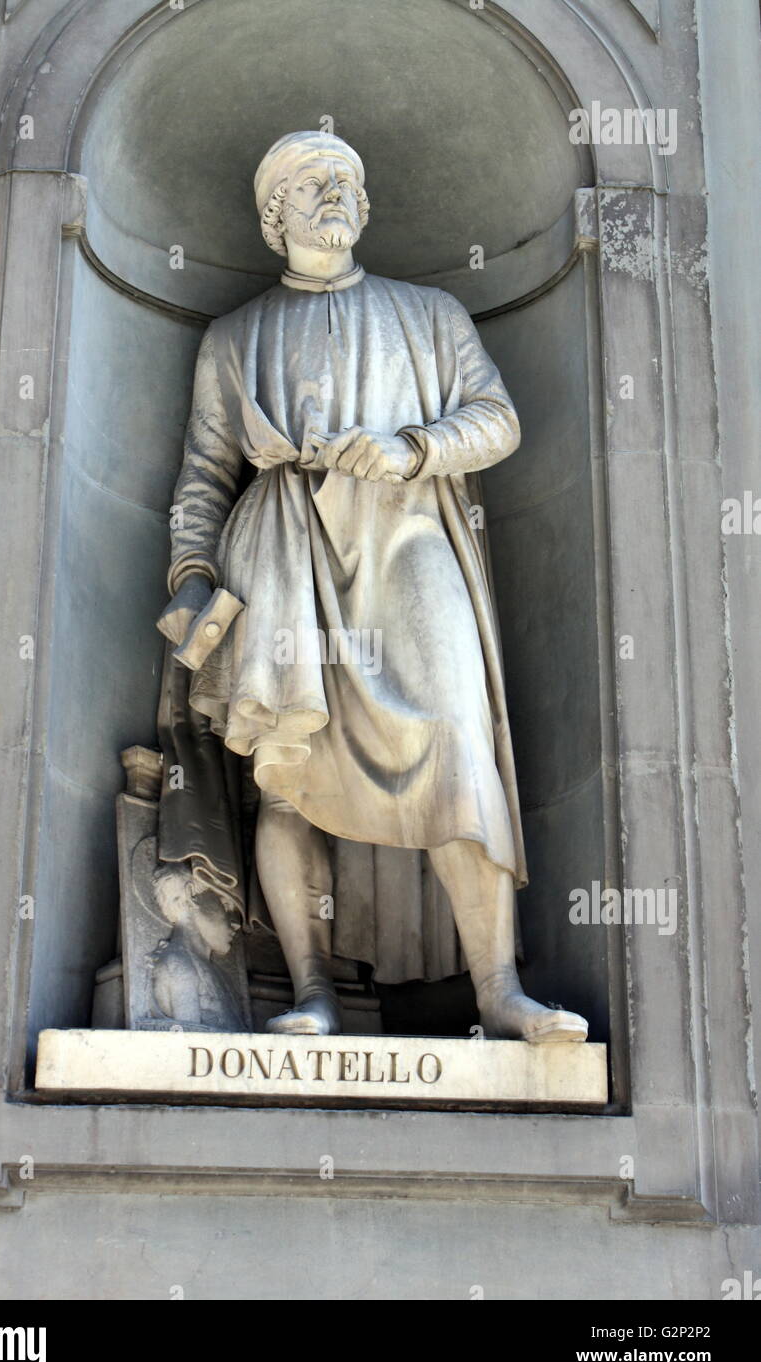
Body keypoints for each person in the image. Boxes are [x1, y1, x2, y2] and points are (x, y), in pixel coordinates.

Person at [158, 131, 588, 1043]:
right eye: (313, 183)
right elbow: (204, 474)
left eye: (348, 180)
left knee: (458, 737)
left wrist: (413, 448)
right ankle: (310, 989)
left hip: (407, 541)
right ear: (275, 218)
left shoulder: (428, 312)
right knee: (285, 773)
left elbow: (497, 419)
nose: (336, 194)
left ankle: (497, 989)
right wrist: (193, 579)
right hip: (282, 550)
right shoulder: (232, 338)